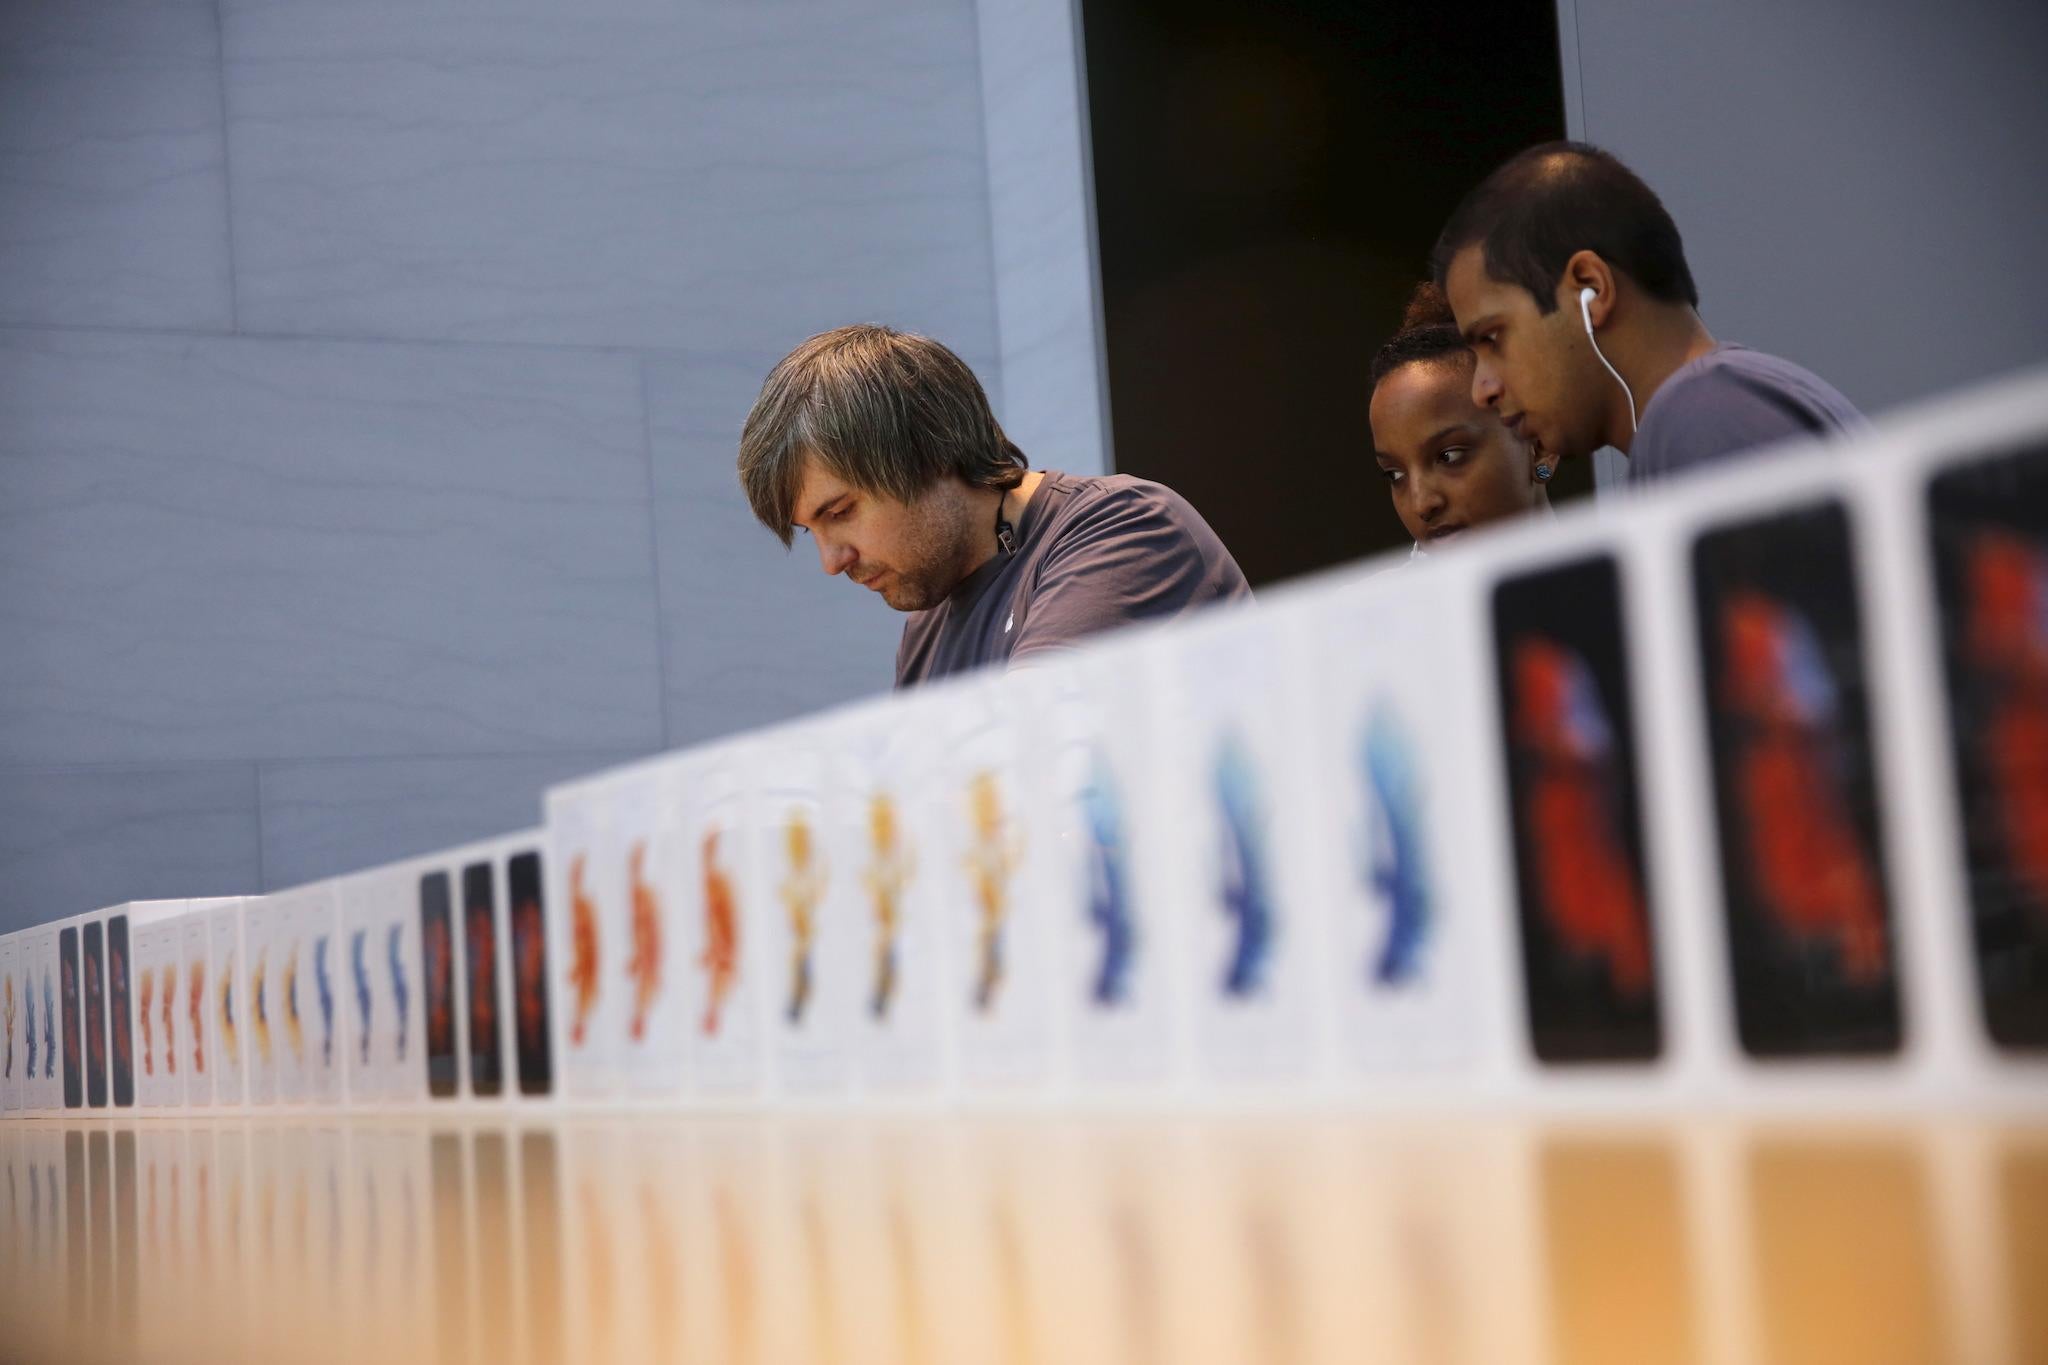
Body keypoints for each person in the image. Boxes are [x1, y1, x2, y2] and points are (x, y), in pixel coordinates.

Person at [738, 324, 1250, 687]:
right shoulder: (925, 631)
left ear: (930, 451)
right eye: (810, 530)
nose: (832, 562)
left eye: (840, 511)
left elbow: (1026, 768)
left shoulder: (1126, 529)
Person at [1431, 141, 1866, 485]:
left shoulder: (1704, 420)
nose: (1481, 390)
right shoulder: (1718, 406)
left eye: (1492, 338)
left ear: (1591, 288)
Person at [1370, 282, 1550, 553]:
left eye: (1449, 457)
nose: (1423, 504)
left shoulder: (1626, 573)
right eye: (1395, 475)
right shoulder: (1374, 597)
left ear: (1539, 446)